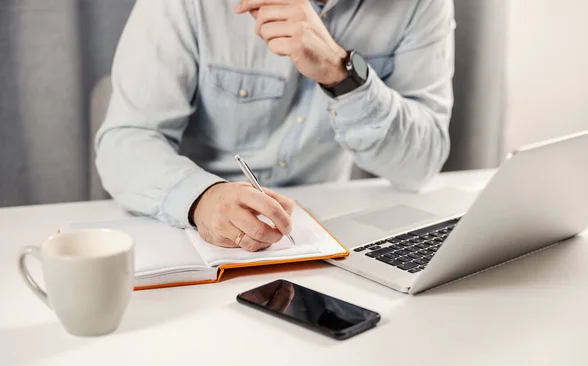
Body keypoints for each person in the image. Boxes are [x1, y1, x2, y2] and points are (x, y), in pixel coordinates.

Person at [96, 0, 455, 252]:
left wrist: (341, 73)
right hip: (193, 239)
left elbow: (419, 167)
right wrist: (201, 199)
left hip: (326, 239)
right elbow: (126, 139)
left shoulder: (419, 4)